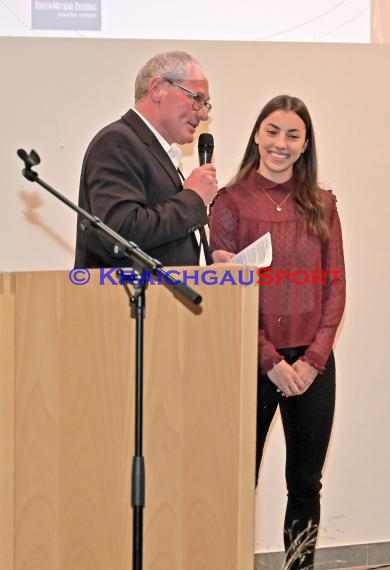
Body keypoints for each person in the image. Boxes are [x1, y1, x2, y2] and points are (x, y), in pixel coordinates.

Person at [209, 95, 345, 570]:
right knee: (236, 480)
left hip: (313, 366)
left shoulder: (322, 204)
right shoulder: (228, 203)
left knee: (306, 483)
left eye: (292, 135)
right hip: (252, 361)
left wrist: (312, 360)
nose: (280, 144)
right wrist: (270, 361)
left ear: (305, 145)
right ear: (256, 135)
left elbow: (336, 285)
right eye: (272, 131)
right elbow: (228, 293)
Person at [75, 50, 217, 268]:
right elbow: (120, 233)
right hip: (123, 298)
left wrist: (208, 259)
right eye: (197, 98)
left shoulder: (154, 150)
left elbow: (162, 242)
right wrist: (193, 198)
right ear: (157, 89)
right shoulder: (117, 141)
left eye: (206, 104)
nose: (203, 114)